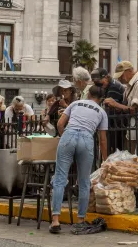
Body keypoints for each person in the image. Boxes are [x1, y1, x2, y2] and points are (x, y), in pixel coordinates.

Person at [49, 86, 109, 234]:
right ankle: (80, 220)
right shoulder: (101, 112)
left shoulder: (75, 104)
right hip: (87, 139)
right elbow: (102, 139)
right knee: (84, 182)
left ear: (88, 94)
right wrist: (105, 159)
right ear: (101, 98)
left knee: (60, 179)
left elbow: (60, 124)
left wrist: (65, 138)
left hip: (69, 135)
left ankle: (55, 220)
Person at [105, 61, 138, 206]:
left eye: (122, 75)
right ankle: (137, 190)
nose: (121, 79)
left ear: (129, 71)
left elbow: (133, 109)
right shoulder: (129, 86)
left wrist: (115, 104)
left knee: (136, 160)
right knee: (132, 160)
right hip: (131, 128)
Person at [92, 67, 127, 154]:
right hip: (114, 124)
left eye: (100, 82)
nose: (99, 85)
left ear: (106, 77)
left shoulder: (114, 87)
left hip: (117, 124)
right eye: (96, 84)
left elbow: (109, 108)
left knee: (116, 151)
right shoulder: (108, 85)